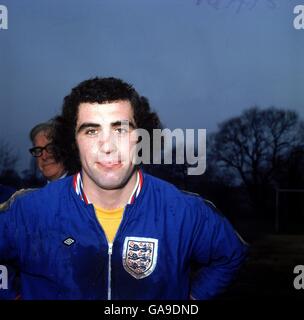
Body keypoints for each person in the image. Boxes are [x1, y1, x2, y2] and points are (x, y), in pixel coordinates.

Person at [0, 77, 248, 300]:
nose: (107, 146)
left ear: (140, 137)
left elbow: (230, 255)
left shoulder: (185, 210)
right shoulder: (27, 212)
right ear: (74, 143)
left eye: (120, 129)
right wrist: (10, 294)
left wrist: (192, 298)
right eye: (91, 130)